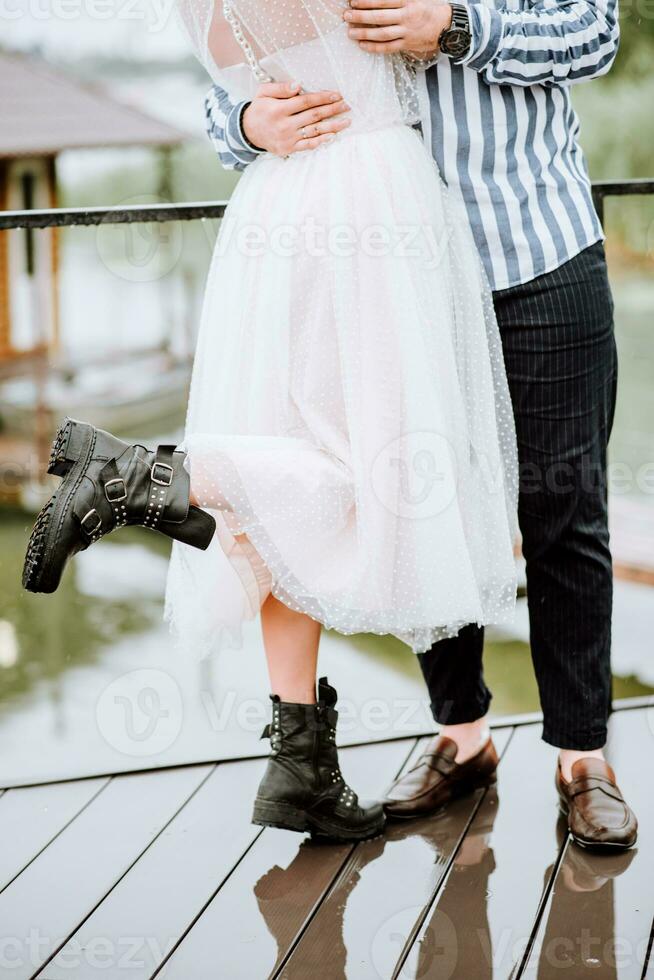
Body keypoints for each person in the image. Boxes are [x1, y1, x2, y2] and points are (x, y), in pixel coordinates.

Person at [22, 0, 519, 842]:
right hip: (371, 208)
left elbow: (234, 80)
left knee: (287, 463)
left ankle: (300, 762)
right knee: (378, 473)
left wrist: (249, 121)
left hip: (276, 210)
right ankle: (149, 476)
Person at [204, 0, 638, 849]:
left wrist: (457, 27)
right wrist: (248, 125)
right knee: (420, 504)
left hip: (535, 246)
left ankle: (584, 758)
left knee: (567, 513)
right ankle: (462, 738)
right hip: (391, 278)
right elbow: (234, 63)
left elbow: (597, 33)